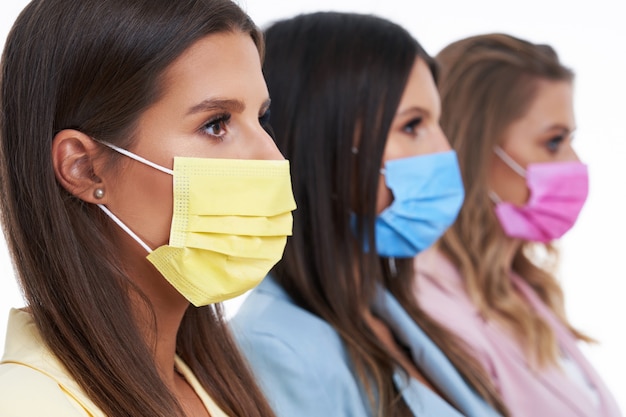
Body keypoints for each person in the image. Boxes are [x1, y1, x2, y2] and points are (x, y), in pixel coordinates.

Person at [0, 0, 296, 416]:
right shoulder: (26, 405)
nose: (273, 158)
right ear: (84, 168)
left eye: (262, 118)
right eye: (216, 123)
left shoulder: (206, 379)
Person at [231, 12, 507, 417]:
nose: (445, 151)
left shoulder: (387, 308)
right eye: (412, 126)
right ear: (324, 144)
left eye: (437, 122)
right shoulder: (276, 347)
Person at [413, 33, 622, 417]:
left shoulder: (521, 289)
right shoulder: (429, 305)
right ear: (476, 149)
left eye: (571, 139)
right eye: (554, 142)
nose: (575, 162)